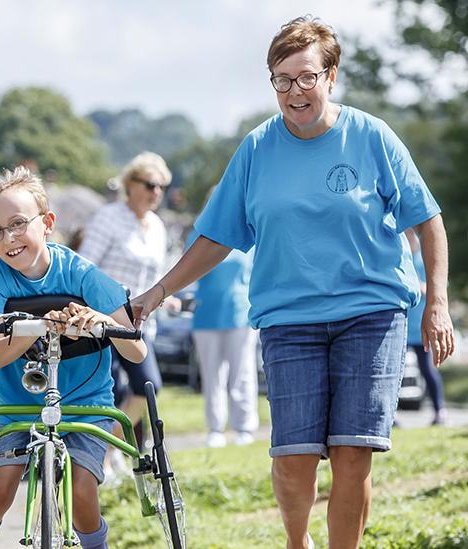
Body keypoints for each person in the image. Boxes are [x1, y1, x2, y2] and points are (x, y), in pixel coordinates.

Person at [130, 16, 454, 549]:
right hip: (289, 320)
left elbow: (429, 220)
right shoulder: (258, 149)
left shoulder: (372, 137)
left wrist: (436, 303)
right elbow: (217, 236)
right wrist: (157, 292)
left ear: (331, 76)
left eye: (305, 77)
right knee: (293, 457)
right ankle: (296, 540)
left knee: (353, 454)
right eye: (281, 79)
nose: (293, 91)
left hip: (371, 314)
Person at [0, 167, 145, 549]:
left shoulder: (82, 274)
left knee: (82, 493)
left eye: (17, 224)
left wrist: (100, 319)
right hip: (16, 405)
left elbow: (136, 349)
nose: (8, 237)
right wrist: (39, 326)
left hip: (85, 405)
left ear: (47, 223)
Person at [77, 152, 175, 459]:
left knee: (147, 388)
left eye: (162, 186)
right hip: (104, 318)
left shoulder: (157, 226)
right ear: (130, 185)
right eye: (150, 184)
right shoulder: (109, 217)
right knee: (111, 392)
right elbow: (85, 266)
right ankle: (100, 458)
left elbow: (156, 276)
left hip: (140, 324)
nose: (156, 192)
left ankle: (106, 450)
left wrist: (166, 296)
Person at [186, 225, 259, 448]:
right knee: (212, 375)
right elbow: (189, 268)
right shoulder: (199, 233)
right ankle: (215, 428)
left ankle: (244, 427)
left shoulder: (250, 235)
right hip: (206, 314)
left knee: (242, 372)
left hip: (240, 312)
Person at [404, 228, 448, 426]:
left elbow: (439, 284)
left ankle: (440, 411)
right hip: (400, 325)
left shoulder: (423, 255)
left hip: (420, 325)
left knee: (428, 369)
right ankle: (392, 417)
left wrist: (419, 286)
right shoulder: (398, 250)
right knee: (392, 372)